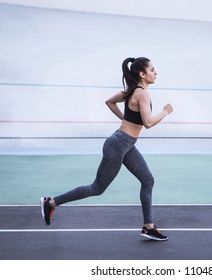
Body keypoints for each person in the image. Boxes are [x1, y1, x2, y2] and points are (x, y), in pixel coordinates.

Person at [40, 57, 173, 241]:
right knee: (97, 188)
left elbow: (110, 102)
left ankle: (148, 226)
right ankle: (51, 202)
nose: (155, 72)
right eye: (152, 69)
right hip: (118, 144)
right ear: (142, 74)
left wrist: (125, 120)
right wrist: (165, 111)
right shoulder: (142, 94)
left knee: (148, 180)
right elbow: (148, 123)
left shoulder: (132, 91)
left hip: (126, 144)